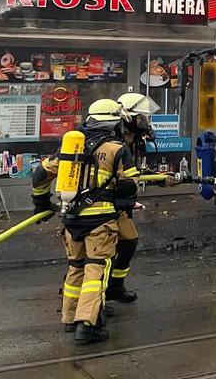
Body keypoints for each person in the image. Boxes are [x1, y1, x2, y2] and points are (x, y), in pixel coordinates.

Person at [32, 99, 139, 343]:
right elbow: (129, 186)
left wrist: (41, 202)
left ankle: (70, 319)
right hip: (100, 221)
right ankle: (89, 325)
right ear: (114, 122)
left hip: (71, 219)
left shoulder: (71, 147)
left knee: (76, 268)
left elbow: (40, 174)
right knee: (96, 270)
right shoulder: (116, 148)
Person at [107, 92, 163, 303]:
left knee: (128, 242)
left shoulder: (134, 140)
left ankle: (115, 286)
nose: (145, 123)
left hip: (122, 202)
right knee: (102, 252)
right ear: (128, 118)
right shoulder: (113, 139)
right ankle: (93, 297)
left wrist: (158, 178)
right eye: (141, 118)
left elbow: (137, 170)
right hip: (105, 202)